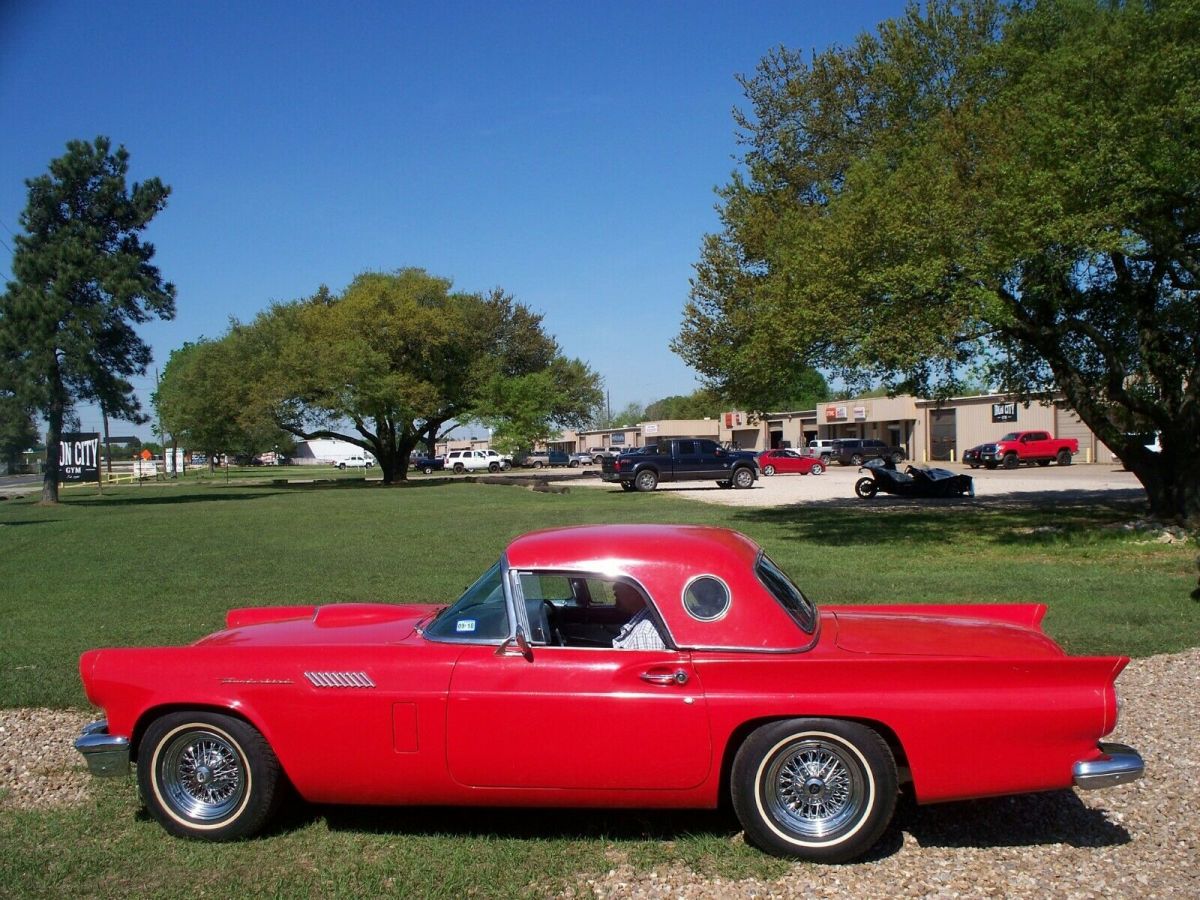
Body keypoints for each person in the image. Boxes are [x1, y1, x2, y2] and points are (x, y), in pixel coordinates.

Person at [611, 581, 667, 650]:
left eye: (619, 590)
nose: (615, 594)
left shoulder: (644, 635)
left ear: (635, 594)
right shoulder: (647, 617)